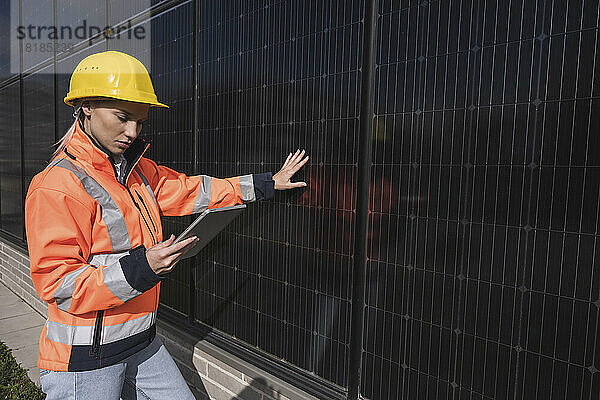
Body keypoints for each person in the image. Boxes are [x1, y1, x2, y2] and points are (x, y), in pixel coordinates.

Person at [24, 50, 309, 399]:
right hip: (86, 360)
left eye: (140, 122)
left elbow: (195, 190)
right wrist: (143, 266)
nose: (132, 131)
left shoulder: (137, 171)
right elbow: (59, 285)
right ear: (86, 107)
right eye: (122, 117)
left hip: (142, 342)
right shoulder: (57, 186)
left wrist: (266, 184)